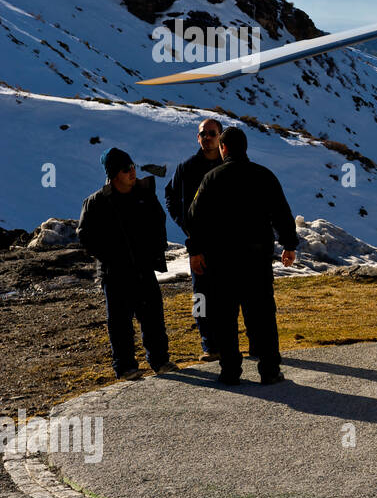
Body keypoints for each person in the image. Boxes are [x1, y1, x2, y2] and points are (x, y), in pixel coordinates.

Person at [187, 127, 299, 385]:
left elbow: (195, 219)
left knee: (224, 316)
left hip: (222, 260)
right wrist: (289, 244)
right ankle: (269, 369)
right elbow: (282, 213)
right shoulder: (264, 176)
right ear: (245, 148)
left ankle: (230, 371)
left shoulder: (212, 178)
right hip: (256, 259)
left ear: (223, 148)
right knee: (261, 314)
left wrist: (196, 250)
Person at [77, 147, 176, 380]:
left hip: (143, 268)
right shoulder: (96, 202)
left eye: (132, 167)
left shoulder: (144, 194)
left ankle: (160, 361)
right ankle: (125, 367)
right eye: (126, 169)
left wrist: (155, 249)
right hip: (115, 273)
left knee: (153, 316)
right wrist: (110, 257)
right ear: (113, 174)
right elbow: (86, 236)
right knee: (120, 322)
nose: (132, 172)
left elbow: (159, 222)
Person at [164, 117, 224, 360]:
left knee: (228, 293)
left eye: (212, 133)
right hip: (199, 241)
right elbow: (170, 195)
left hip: (229, 241)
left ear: (220, 137)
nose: (207, 137)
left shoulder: (228, 164)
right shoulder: (187, 167)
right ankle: (209, 345)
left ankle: (229, 340)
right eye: (203, 134)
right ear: (198, 137)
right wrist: (184, 224)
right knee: (201, 295)